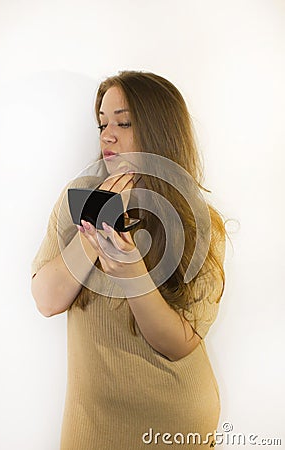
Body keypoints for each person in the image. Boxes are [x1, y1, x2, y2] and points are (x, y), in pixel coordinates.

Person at [31, 71, 227, 449]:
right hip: (92, 424)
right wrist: (96, 229)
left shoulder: (195, 222)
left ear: (160, 131)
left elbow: (177, 344)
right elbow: (46, 299)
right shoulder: (79, 197)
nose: (107, 134)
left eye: (124, 122)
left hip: (175, 424)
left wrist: (135, 274)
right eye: (103, 122)